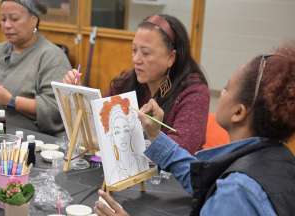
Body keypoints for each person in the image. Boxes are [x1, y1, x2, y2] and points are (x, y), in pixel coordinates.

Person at [95, 43, 295, 215]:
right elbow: (202, 179)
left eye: (226, 88)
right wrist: (156, 135)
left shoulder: (236, 192)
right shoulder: (278, 158)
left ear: (238, 112)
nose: (220, 93)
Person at [64, 14, 209, 154]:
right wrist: (80, 95)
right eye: (134, 50)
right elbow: (101, 123)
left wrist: (153, 134)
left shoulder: (194, 92)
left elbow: (181, 151)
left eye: (145, 53)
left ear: (171, 57)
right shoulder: (128, 81)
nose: (136, 59)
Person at [0, 0, 71, 136]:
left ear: (34, 20)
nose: (7, 25)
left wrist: (11, 101)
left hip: (31, 140)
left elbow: (56, 109)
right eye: (3, 19)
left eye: (14, 19)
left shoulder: (52, 57)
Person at [99, 95, 149, 185]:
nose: (122, 136)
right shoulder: (114, 173)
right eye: (117, 132)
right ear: (112, 137)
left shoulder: (141, 161)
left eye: (126, 130)